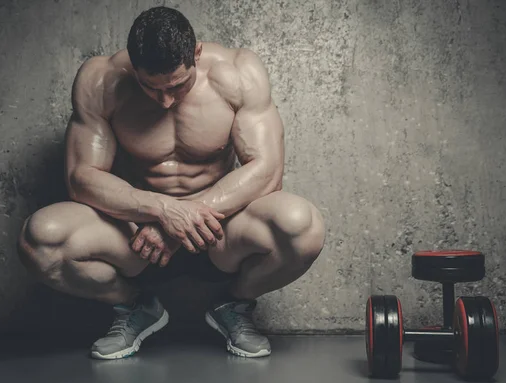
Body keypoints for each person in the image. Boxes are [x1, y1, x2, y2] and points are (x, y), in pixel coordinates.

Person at [17, 6, 325, 360]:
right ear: (133, 67)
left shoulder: (238, 73)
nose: (165, 100)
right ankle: (134, 306)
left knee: (304, 226)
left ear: (196, 54)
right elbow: (81, 179)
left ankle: (233, 304)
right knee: (38, 240)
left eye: (178, 85)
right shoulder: (101, 81)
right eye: (151, 87)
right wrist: (161, 210)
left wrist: (182, 220)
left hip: (220, 233)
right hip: (137, 237)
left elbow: (268, 170)